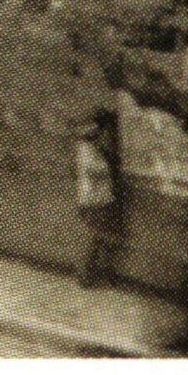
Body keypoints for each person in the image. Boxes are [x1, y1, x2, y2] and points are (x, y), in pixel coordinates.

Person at [74, 105, 122, 288]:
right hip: (93, 199)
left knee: (98, 238)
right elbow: (94, 171)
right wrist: (108, 163)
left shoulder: (90, 147)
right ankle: (85, 276)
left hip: (98, 198)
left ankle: (90, 275)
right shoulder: (86, 148)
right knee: (94, 239)